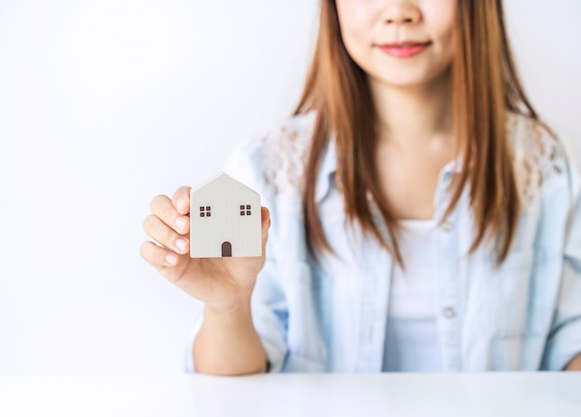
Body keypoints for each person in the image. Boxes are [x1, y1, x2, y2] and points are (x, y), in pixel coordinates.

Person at [141, 0, 581, 374]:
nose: (398, 13)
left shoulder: (543, 166)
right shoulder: (266, 171)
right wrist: (229, 307)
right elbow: (232, 392)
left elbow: (570, 346)